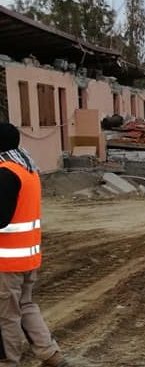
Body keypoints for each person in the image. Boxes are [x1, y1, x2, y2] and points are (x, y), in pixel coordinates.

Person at [0, 123, 70, 367]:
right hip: (27, 257)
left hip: (6, 261)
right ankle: (50, 354)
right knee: (26, 306)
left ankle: (8, 362)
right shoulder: (27, 169)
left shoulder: (6, 173)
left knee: (6, 316)